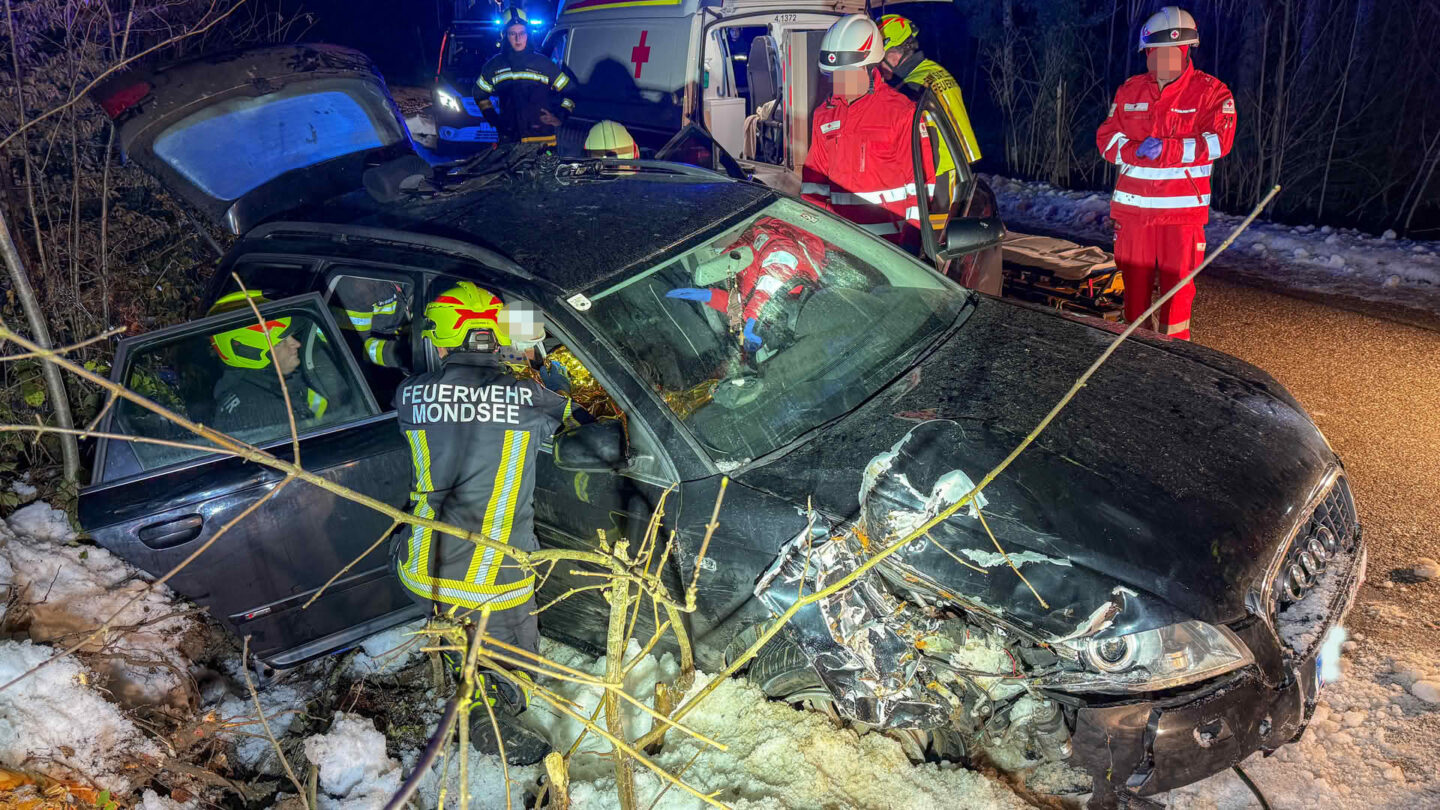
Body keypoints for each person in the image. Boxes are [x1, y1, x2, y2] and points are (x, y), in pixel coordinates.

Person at [394, 281, 580, 763]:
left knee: (462, 629)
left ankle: (465, 672)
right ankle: (490, 713)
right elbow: (580, 417)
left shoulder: (409, 394)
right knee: (516, 664)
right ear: (496, 335)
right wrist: (539, 363)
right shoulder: (527, 396)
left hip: (421, 565)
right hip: (492, 581)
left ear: (441, 340)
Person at [1095, 6, 1235, 340]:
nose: (1157, 62)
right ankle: (1136, 356)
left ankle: (1177, 361)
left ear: (1185, 51)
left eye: (1166, 53)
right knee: (1135, 297)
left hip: (1181, 218)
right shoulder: (1130, 90)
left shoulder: (1212, 93)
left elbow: (1219, 142)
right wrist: (1131, 150)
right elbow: (1106, 139)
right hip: (1134, 218)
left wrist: (1169, 149)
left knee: (1177, 295)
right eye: (1152, 54)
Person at [801, 14, 935, 248]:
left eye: (846, 72)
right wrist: (815, 240)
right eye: (834, 74)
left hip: (889, 247)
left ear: (867, 67)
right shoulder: (824, 114)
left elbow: (921, 186)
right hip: (841, 245)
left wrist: (911, 245)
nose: (839, 82)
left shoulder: (902, 113)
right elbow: (814, 184)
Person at [664, 216, 828, 354]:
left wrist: (710, 297)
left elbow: (748, 303)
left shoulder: (769, 303)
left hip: (743, 233)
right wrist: (756, 314)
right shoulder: (795, 284)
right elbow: (781, 255)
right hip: (767, 221)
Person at [208, 291, 332, 434]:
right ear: (250, 352)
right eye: (281, 342)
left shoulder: (261, 387)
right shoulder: (259, 411)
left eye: (291, 336)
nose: (296, 344)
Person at [877, 13, 982, 165]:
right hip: (959, 163)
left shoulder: (911, 86)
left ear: (894, 52)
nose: (878, 66)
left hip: (938, 168)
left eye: (880, 59)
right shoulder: (934, 71)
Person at [474, 7, 575, 146]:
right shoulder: (494, 66)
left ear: (528, 35)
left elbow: (571, 91)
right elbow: (479, 94)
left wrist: (559, 116)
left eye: (522, 33)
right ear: (504, 35)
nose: (518, 38)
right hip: (510, 141)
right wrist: (494, 119)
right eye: (512, 33)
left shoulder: (543, 64)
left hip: (542, 141)